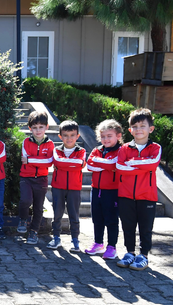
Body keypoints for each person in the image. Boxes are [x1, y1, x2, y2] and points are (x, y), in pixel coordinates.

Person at [116, 108, 161, 271]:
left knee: (145, 227)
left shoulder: (155, 148)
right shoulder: (124, 149)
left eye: (142, 125)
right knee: (128, 226)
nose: (138, 129)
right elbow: (120, 167)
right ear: (130, 130)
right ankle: (130, 252)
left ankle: (143, 255)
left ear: (151, 129)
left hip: (147, 196)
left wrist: (131, 162)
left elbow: (152, 164)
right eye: (134, 126)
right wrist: (142, 164)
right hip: (125, 195)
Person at [85, 119, 123, 259]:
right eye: (102, 136)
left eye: (109, 136)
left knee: (111, 220)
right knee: (97, 218)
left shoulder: (121, 150)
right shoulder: (97, 150)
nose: (105, 139)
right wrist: (107, 166)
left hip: (112, 192)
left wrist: (103, 164)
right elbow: (89, 165)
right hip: (96, 190)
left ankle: (112, 247)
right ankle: (98, 244)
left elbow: (115, 164)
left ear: (118, 136)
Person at [47, 120, 86, 252]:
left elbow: (79, 164)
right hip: (58, 187)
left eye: (72, 135)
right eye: (65, 135)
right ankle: (56, 237)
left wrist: (66, 163)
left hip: (74, 188)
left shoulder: (82, 151)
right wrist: (70, 163)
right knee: (57, 214)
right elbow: (58, 162)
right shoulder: (56, 150)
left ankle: (75, 240)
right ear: (60, 136)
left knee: (74, 215)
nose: (69, 138)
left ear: (77, 136)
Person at [18, 111, 54, 244]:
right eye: (34, 127)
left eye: (41, 127)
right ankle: (23, 219)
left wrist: (31, 160)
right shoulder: (26, 142)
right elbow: (24, 159)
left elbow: (49, 162)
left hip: (42, 178)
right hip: (26, 177)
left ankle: (33, 232)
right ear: (30, 128)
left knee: (38, 207)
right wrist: (39, 160)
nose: (38, 130)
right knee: (25, 200)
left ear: (47, 127)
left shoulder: (50, 144)